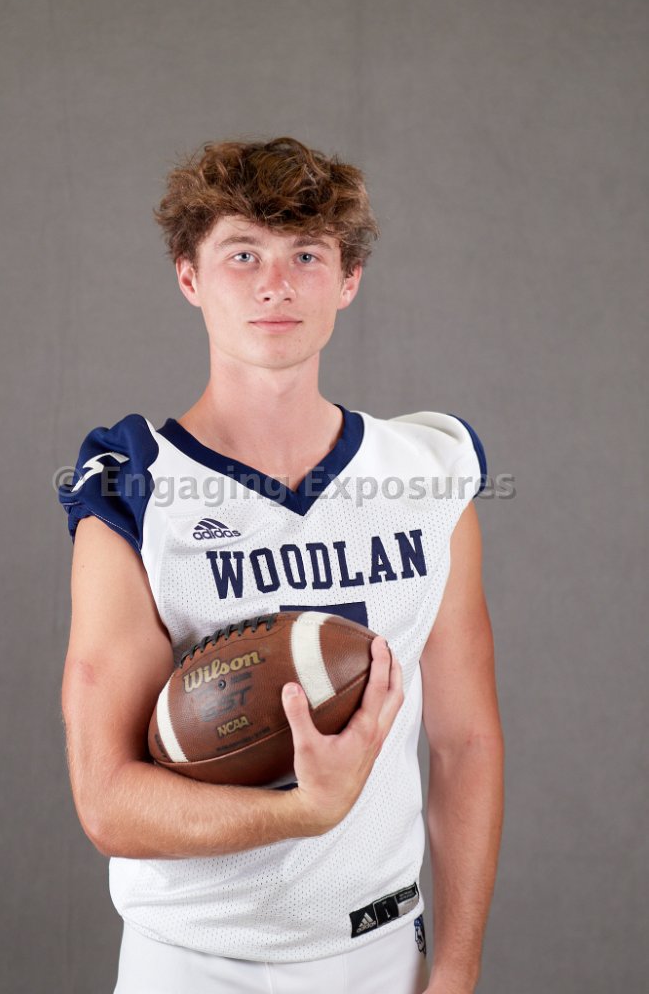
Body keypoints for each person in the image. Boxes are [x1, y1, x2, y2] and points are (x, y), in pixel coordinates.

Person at [57, 136, 504, 994]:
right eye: (241, 254)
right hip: (191, 961)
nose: (275, 284)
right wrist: (302, 811)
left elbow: (465, 742)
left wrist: (455, 970)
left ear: (348, 280)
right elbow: (108, 800)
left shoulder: (424, 472)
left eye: (306, 255)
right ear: (188, 277)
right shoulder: (134, 485)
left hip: (382, 949)